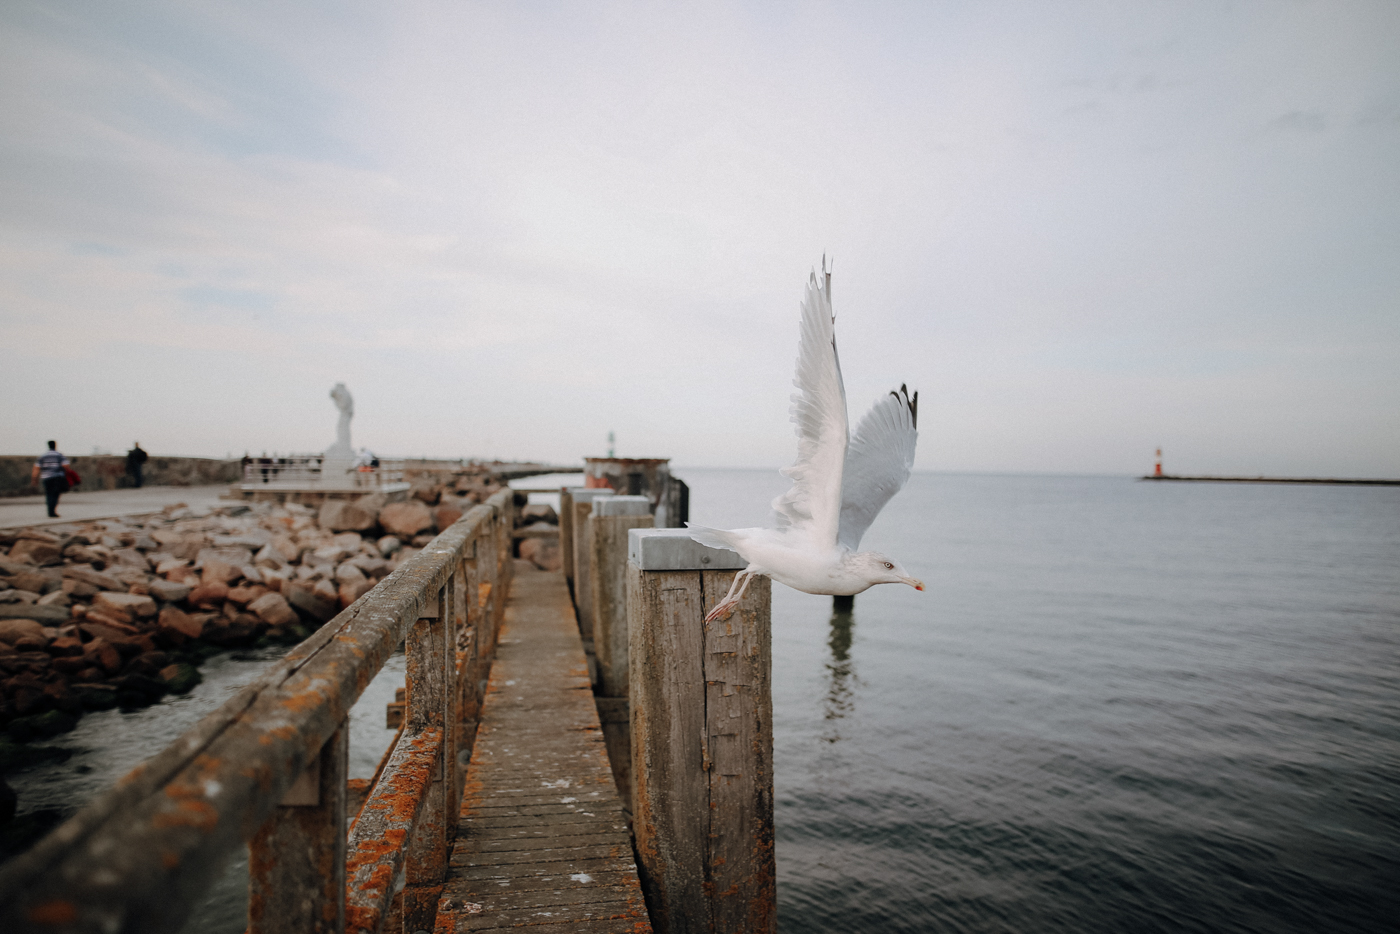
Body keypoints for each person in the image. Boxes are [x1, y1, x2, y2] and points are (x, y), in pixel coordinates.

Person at [31, 441, 70, 518]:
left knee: (48, 494)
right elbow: (66, 466)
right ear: (55, 445)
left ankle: (49, 510)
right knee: (55, 494)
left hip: (46, 477)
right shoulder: (59, 455)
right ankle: (53, 511)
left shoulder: (43, 456)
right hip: (57, 477)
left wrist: (34, 478)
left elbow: (36, 468)